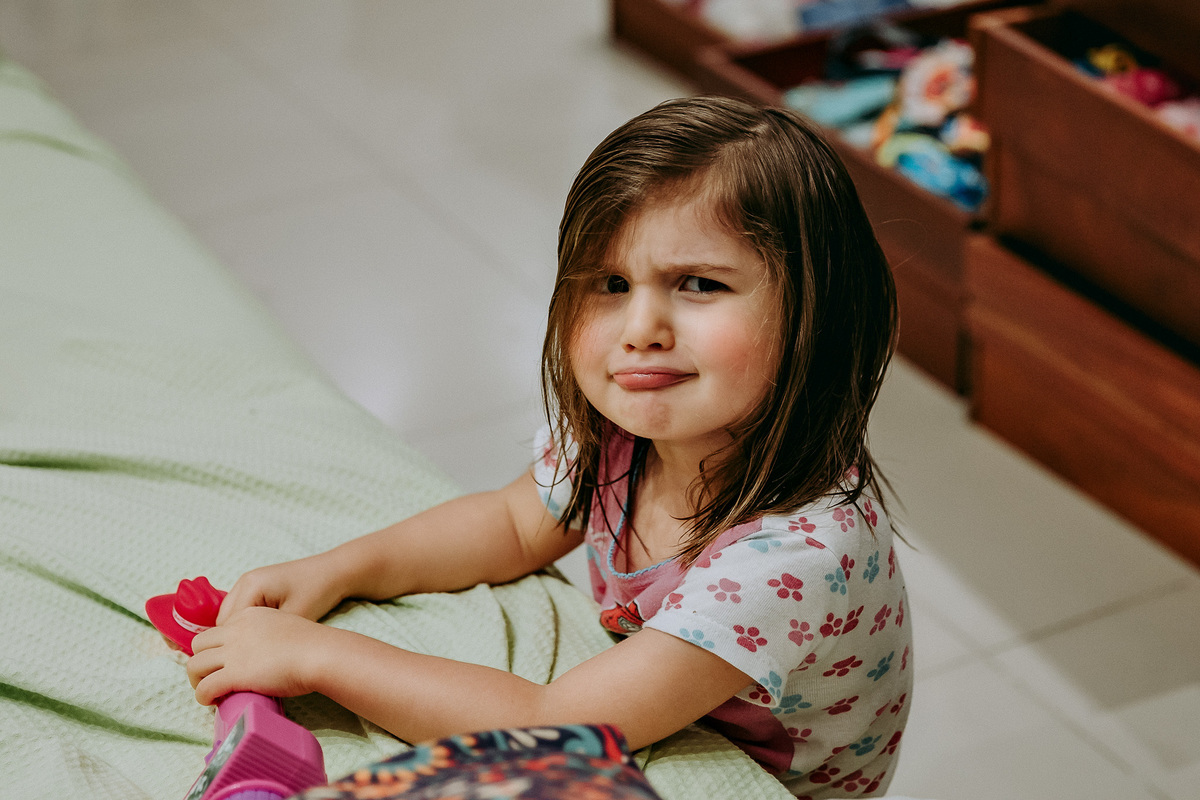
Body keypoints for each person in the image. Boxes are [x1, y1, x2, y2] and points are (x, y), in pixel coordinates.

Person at [187, 96, 912, 798]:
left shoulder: (799, 554)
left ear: (819, 312)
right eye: (611, 283)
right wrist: (338, 571)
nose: (642, 327)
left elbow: (553, 726)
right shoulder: (627, 435)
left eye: (698, 284)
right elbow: (511, 524)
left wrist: (318, 656)